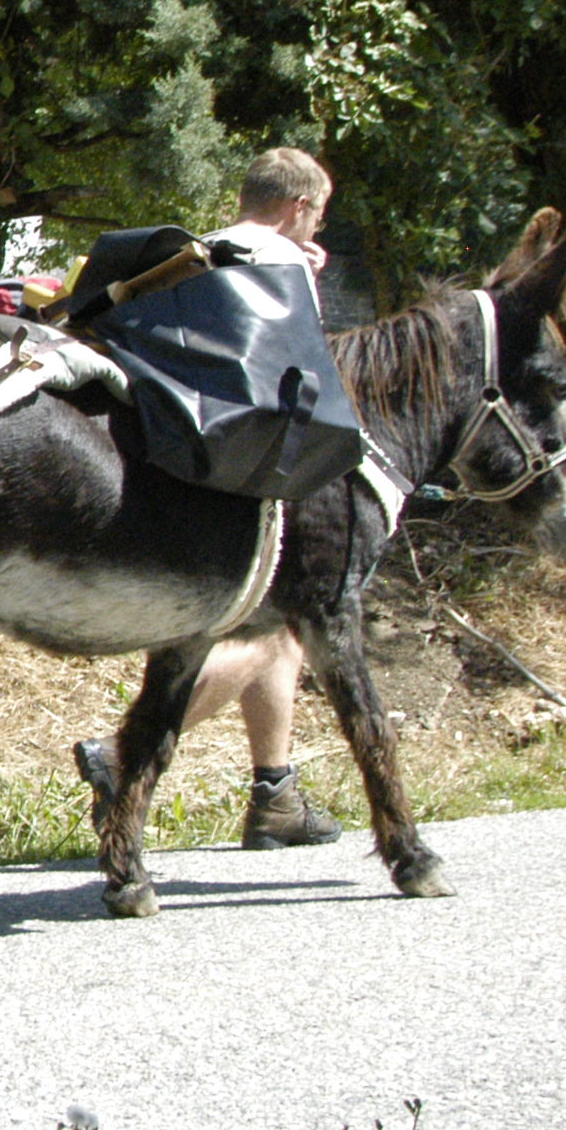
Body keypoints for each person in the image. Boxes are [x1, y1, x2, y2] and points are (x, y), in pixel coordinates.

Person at [74, 146, 346, 850]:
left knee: (276, 633)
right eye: (316, 215)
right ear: (297, 208)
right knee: (272, 629)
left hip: (170, 457)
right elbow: (301, 385)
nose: (316, 231)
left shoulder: (199, 251)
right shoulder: (283, 267)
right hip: (242, 476)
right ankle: (118, 752)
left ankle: (274, 794)